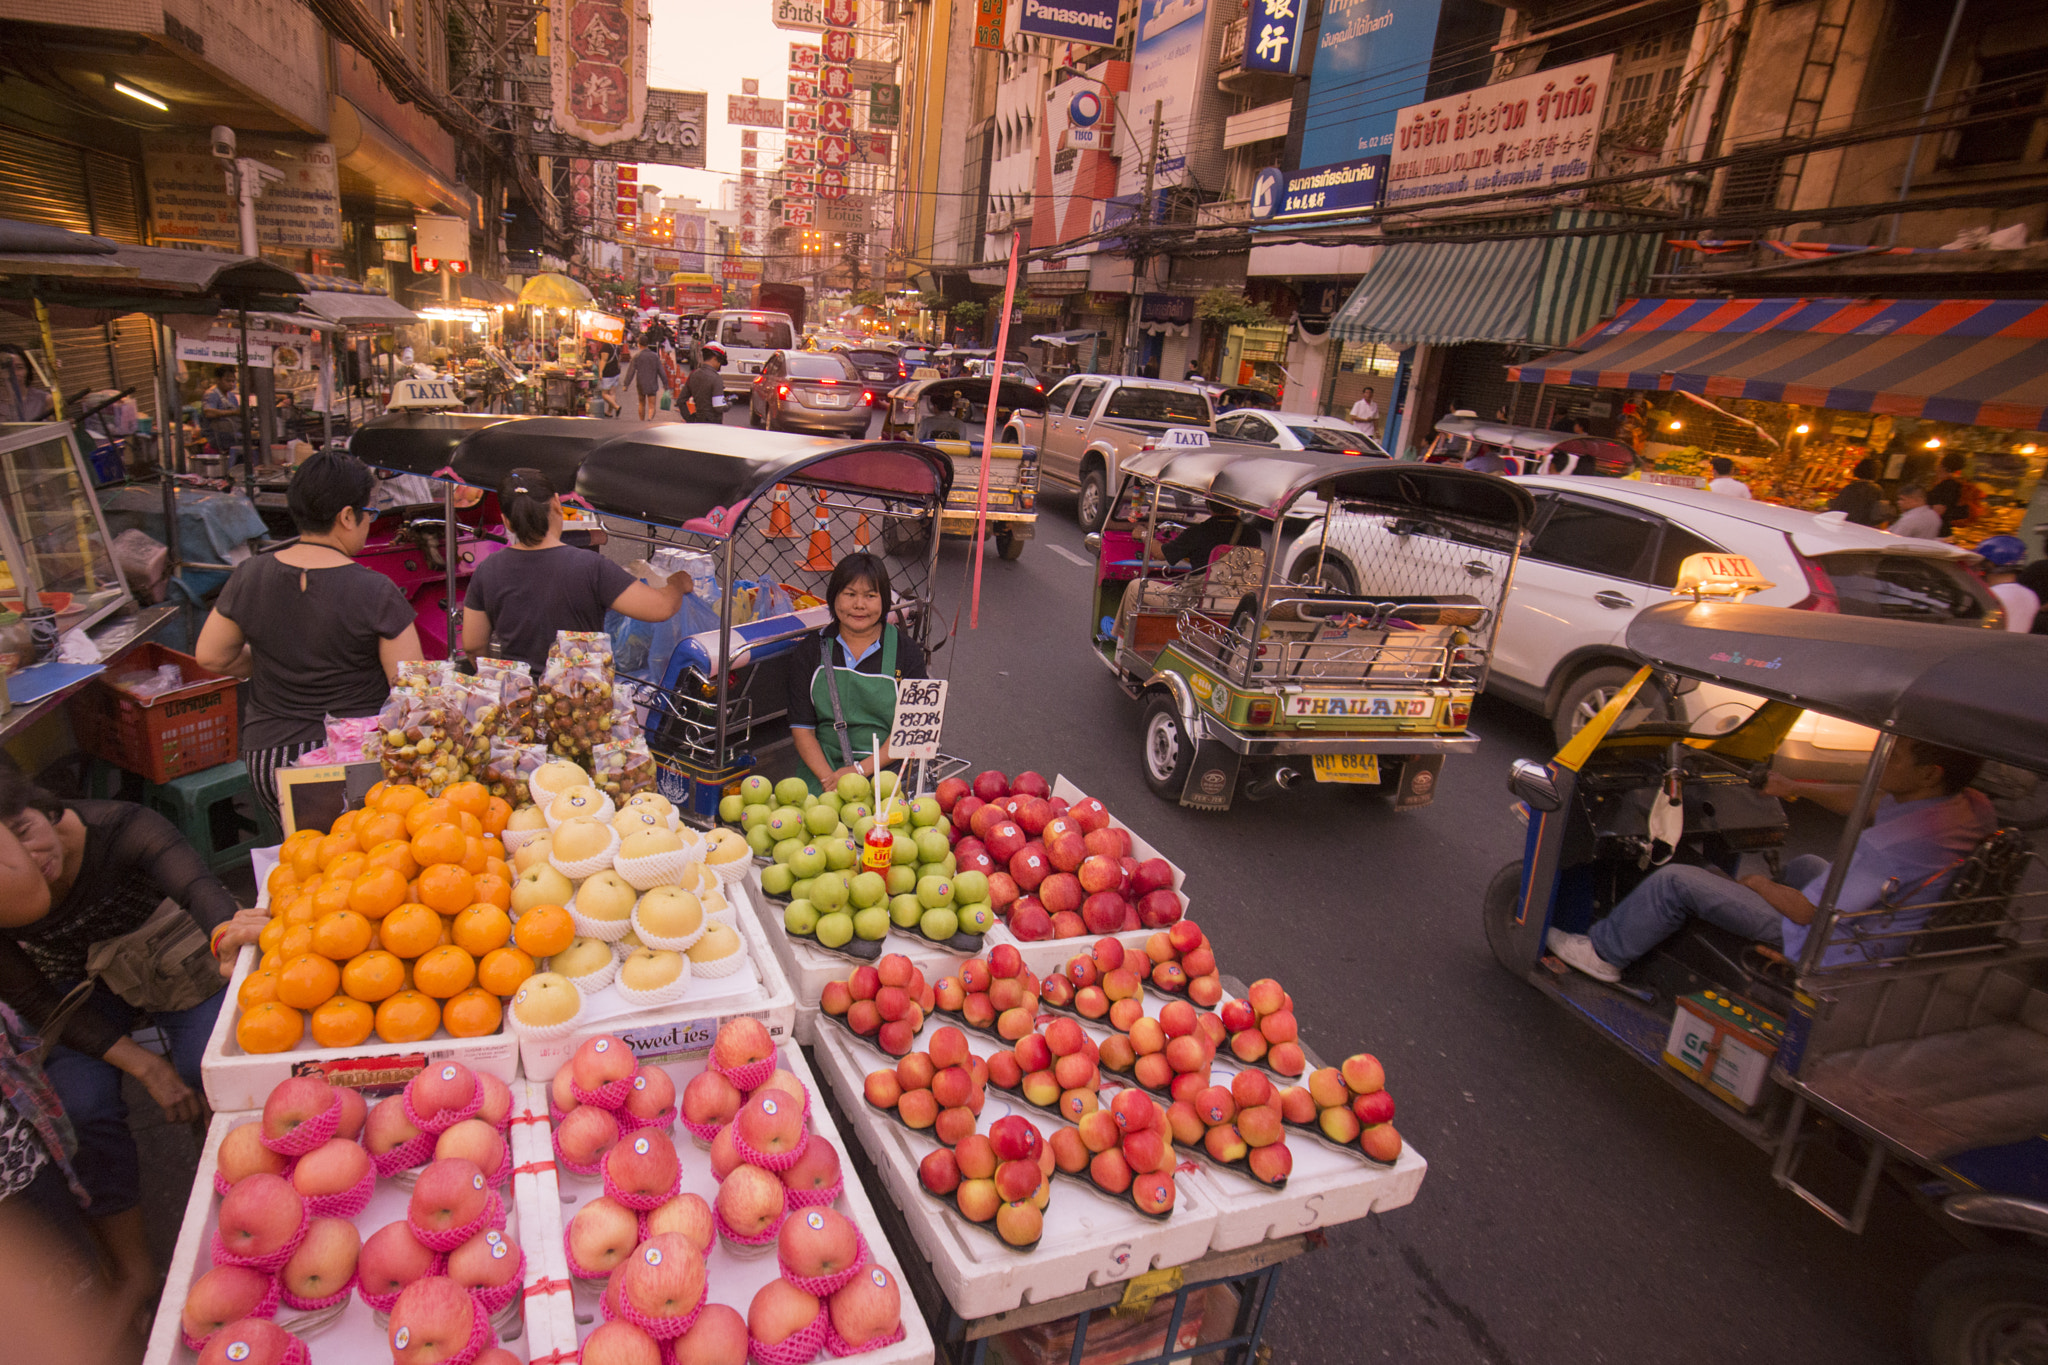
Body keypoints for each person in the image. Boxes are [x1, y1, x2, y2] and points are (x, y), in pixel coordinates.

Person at [0, 757, 268, 1325]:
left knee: (211, 1067)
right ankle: (133, 1268)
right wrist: (146, 1068)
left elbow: (203, 896)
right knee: (83, 1109)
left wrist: (229, 932)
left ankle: (234, 1198)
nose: (31, 860)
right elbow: (35, 1000)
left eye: (26, 831)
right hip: (77, 989)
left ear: (47, 806)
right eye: (11, 852)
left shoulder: (120, 827)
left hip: (173, 956)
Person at [1546, 738, 1994, 983]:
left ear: (1928, 772)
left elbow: (1809, 912)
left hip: (1834, 945)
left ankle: (1605, 952)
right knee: (1806, 867)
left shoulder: (1895, 845)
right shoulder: (1969, 805)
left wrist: (1756, 886)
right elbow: (1871, 801)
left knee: (1678, 880)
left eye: (1896, 754)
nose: (1885, 757)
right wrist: (1792, 786)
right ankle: (1732, 911)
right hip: (1884, 921)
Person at [195, 452, 425, 821]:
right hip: (353, 762)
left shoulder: (250, 575)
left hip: (271, 759)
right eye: (371, 514)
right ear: (347, 516)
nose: (369, 524)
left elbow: (211, 656)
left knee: (300, 863)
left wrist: (272, 656)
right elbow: (411, 689)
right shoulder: (376, 591)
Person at [461, 468, 691, 673]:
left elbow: (472, 645)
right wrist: (678, 583)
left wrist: (502, 682)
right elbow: (660, 608)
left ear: (506, 521)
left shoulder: (487, 569)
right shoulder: (589, 566)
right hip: (577, 704)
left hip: (520, 704)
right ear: (556, 505)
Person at [787, 554, 930, 795]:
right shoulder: (810, 651)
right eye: (850, 594)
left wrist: (860, 771)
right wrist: (829, 780)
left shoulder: (907, 653)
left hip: (887, 773)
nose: (859, 605)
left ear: (884, 601)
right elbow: (802, 730)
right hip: (823, 772)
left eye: (870, 596)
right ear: (833, 598)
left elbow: (911, 732)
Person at [1156, 499, 1255, 569]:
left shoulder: (1198, 531)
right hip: (1240, 594)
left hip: (1200, 594)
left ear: (1208, 505)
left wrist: (1143, 534)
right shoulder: (1253, 534)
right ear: (1237, 507)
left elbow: (1161, 554)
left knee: (1139, 584)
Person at [1977, 535, 2040, 633]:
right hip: (2017, 647)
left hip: (1989, 647)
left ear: (1990, 564)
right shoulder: (2030, 595)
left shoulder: (1989, 595)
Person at [1927, 451, 1978, 537]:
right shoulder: (1957, 483)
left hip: (1937, 531)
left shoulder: (1947, 485)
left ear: (1941, 465)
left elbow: (1939, 510)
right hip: (1945, 529)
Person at [1827, 458, 1888, 526]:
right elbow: (1880, 513)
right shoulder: (1878, 490)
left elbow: (1836, 508)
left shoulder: (1850, 488)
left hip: (1845, 524)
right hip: (1865, 527)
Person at [200, 365, 240, 451]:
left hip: (230, 436)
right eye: (228, 381)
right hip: (215, 439)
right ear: (218, 380)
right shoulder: (211, 394)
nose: (231, 384)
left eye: (233, 381)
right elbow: (209, 413)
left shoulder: (231, 395)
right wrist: (234, 412)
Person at [684, 343, 726, 423]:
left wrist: (689, 419)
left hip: (698, 420)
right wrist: (729, 404)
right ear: (715, 358)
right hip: (713, 424)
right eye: (720, 362)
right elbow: (719, 407)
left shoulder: (693, 374)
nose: (720, 365)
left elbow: (681, 401)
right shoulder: (716, 378)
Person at [627, 339, 665, 421]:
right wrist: (665, 384)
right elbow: (661, 371)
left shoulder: (637, 356)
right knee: (652, 405)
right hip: (652, 383)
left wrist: (626, 384)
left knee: (641, 403)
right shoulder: (655, 356)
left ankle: (642, 421)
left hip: (641, 383)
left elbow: (631, 371)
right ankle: (650, 419)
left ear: (639, 345)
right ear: (647, 344)